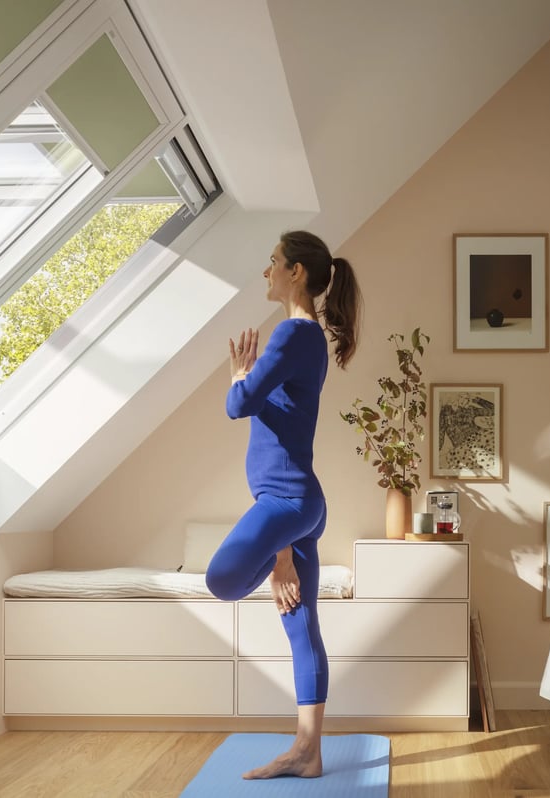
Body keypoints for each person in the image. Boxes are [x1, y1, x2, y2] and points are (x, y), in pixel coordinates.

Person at [205, 230, 361, 780]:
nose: (266, 271)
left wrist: (238, 375)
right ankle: (307, 752)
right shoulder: (308, 337)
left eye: (272, 262)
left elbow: (238, 405)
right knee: (302, 628)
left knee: (222, 580)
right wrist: (281, 554)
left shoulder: (293, 334)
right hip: (298, 506)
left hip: (289, 500)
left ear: (296, 272)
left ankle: (304, 750)